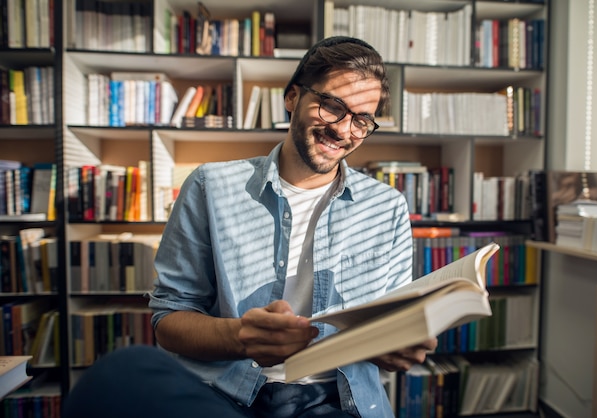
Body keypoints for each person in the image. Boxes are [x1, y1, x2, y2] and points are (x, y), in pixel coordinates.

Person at [62, 36, 437, 418]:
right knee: (120, 373)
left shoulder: (386, 207)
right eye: (332, 106)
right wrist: (239, 336)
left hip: (337, 400)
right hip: (226, 395)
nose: (344, 130)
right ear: (293, 98)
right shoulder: (211, 186)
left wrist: (399, 346)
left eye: (361, 120)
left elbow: (391, 326)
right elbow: (168, 321)